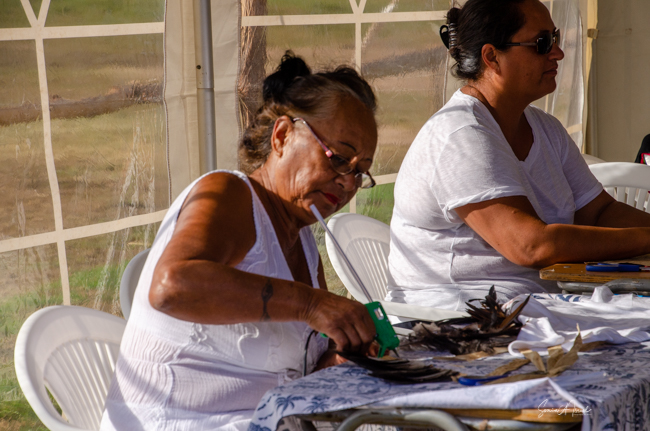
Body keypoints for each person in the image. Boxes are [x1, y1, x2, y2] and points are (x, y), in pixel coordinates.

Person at [100, 52, 379, 431]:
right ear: (282, 136)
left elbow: (299, 373)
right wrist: (311, 304)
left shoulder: (302, 240)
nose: (348, 182)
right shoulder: (229, 193)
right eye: (339, 158)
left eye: (361, 172)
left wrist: (343, 357)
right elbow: (171, 286)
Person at [387, 0, 650, 311]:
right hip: (462, 316)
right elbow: (531, 246)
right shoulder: (459, 134)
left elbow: (598, 212)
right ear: (491, 57)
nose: (558, 53)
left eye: (555, 38)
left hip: (534, 305)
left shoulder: (546, 128)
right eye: (542, 43)